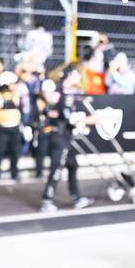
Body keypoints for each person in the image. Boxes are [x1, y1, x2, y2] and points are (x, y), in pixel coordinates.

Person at [40, 66, 95, 212]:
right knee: (57, 168)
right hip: (59, 136)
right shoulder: (58, 93)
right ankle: (46, 200)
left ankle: (76, 198)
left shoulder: (71, 93)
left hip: (66, 135)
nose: (79, 77)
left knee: (72, 165)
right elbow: (53, 112)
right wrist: (88, 119)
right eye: (77, 74)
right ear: (70, 75)